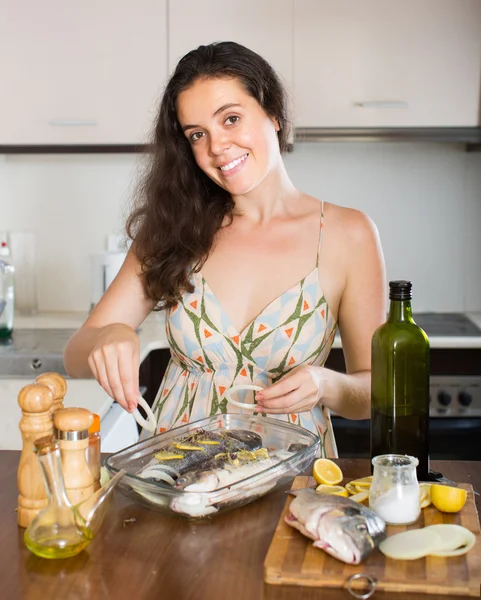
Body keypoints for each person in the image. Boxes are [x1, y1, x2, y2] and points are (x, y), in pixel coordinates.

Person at [64, 41, 386, 457]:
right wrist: (110, 333)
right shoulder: (173, 229)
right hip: (175, 478)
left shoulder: (348, 233)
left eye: (231, 119)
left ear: (273, 113)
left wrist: (326, 384)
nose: (216, 147)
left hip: (289, 476)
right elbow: (75, 354)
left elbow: (376, 391)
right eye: (198, 134)